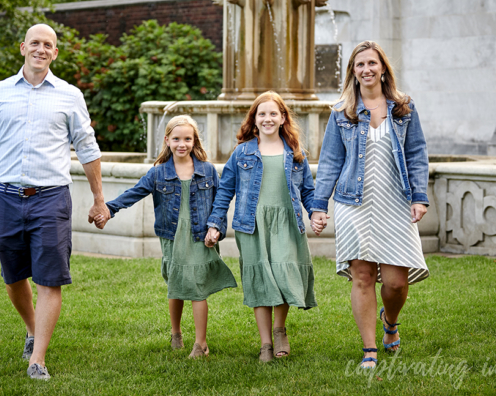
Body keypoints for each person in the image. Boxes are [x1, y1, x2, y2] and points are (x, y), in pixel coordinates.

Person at [0, 24, 109, 380]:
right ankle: (32, 329)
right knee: (13, 277)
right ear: (22, 48)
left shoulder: (69, 94)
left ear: (55, 53)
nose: (41, 49)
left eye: (49, 45)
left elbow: (88, 148)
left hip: (51, 199)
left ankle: (38, 360)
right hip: (5, 197)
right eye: (35, 43)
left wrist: (98, 199)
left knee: (50, 280)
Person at [311, 40, 430, 369]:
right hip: (354, 204)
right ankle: (370, 350)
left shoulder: (403, 108)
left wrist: (419, 197)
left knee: (395, 283)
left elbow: (417, 154)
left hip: (394, 202)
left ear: (382, 68)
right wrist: (319, 205)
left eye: (371, 63)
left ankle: (389, 323)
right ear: (353, 71)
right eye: (359, 64)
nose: (366, 69)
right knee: (362, 276)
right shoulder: (343, 113)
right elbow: (331, 161)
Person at [94, 115, 237, 358]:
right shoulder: (158, 173)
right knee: (176, 283)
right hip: (172, 235)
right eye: (177, 139)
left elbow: (220, 203)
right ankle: (176, 333)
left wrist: (217, 227)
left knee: (198, 286)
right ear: (167, 140)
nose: (182, 144)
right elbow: (134, 193)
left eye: (188, 139)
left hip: (200, 236)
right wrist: (108, 210)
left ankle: (201, 344)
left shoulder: (208, 170)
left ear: (195, 141)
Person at [205, 91, 317, 362]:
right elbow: (224, 191)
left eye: (273, 113)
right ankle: (266, 342)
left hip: (286, 222)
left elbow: (308, 191)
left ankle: (280, 330)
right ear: (254, 119)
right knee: (261, 279)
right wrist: (215, 224)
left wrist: (315, 212)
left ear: (282, 118)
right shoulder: (242, 152)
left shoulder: (295, 153)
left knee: (281, 273)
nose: (267, 118)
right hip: (251, 224)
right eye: (262, 113)